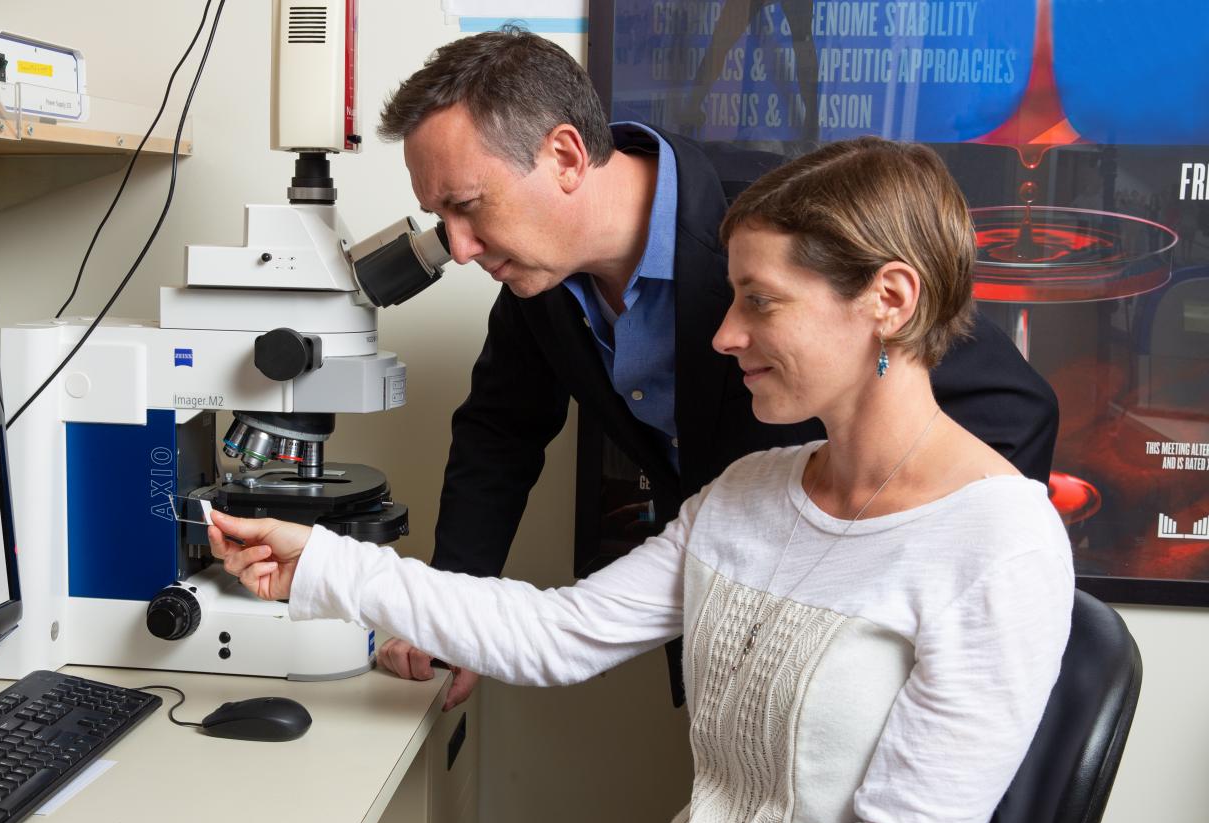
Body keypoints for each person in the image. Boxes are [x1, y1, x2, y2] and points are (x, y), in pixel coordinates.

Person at [208, 137, 1075, 823]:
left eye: (760, 301)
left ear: (888, 299)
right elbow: (556, 633)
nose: (724, 334)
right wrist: (320, 561)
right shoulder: (750, 492)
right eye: (731, 295)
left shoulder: (1000, 542)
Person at [370, 28, 1060, 710]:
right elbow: (500, 434)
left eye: (466, 206)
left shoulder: (776, 222)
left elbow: (1014, 409)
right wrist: (446, 612)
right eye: (439, 218)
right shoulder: (536, 276)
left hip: (850, 673)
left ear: (566, 155)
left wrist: (900, 602)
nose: (457, 249)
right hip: (726, 643)